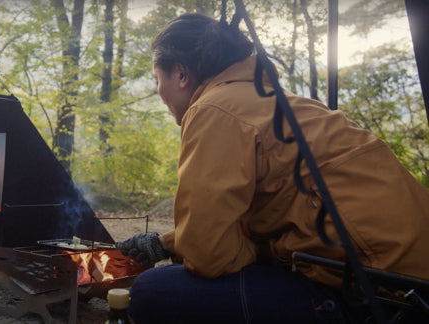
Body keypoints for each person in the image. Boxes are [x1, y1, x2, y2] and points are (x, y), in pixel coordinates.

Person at [116, 13, 429, 323]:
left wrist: (245, 252)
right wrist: (164, 244)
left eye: (158, 80)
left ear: (181, 74)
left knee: (150, 291)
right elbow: (247, 220)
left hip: (381, 299)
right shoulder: (273, 101)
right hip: (412, 279)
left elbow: (208, 256)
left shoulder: (213, 109)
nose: (159, 94)